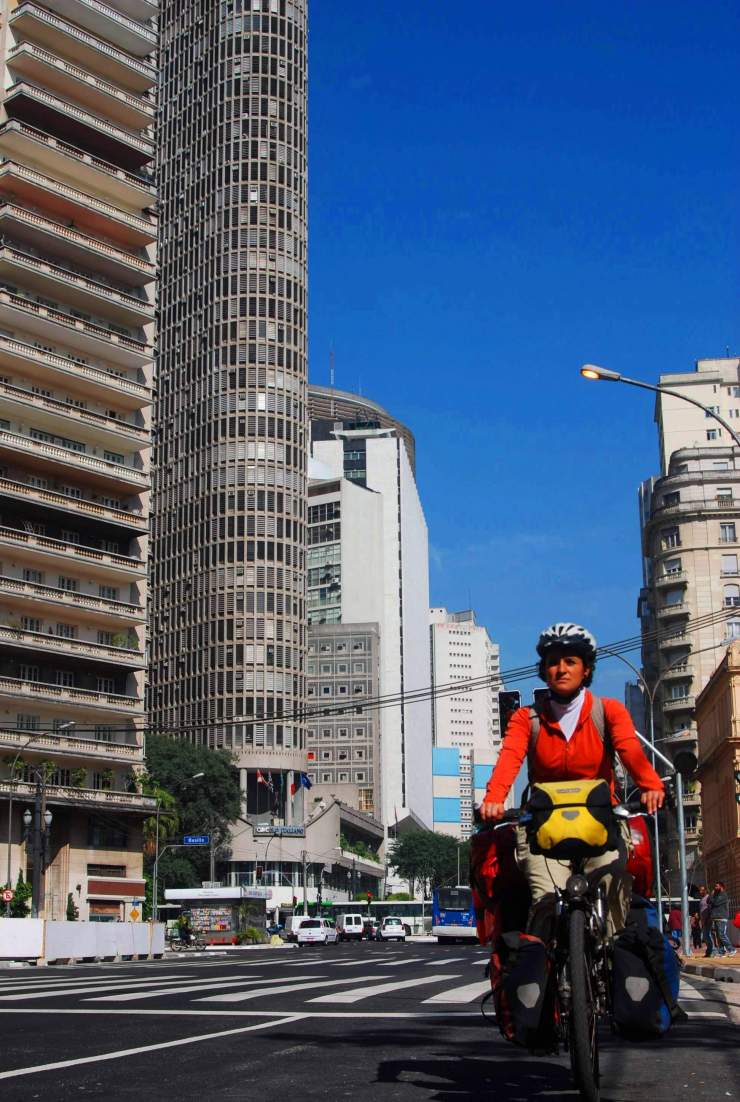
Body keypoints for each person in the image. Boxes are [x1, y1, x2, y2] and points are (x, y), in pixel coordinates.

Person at [480, 622, 665, 938]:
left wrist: (651, 787)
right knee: (545, 898)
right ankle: (547, 957)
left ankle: (611, 950)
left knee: (612, 881)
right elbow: (509, 759)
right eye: (553, 662)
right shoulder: (527, 719)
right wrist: (494, 799)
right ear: (544, 670)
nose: (561, 669)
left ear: (586, 669)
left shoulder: (608, 712)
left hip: (601, 824)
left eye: (570, 661)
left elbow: (630, 752)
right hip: (543, 828)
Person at [709, 881, 737, 957]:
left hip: (721, 918)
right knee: (718, 936)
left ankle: (731, 949)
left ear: (721, 887)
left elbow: (715, 903)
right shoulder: (716, 895)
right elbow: (709, 901)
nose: (715, 888)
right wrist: (712, 895)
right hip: (716, 918)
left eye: (717, 886)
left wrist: (712, 896)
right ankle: (721, 952)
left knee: (721, 934)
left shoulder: (723, 895)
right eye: (715, 886)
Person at [698, 885, 714, 957]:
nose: (700, 892)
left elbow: (710, 908)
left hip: (708, 920)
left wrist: (708, 918)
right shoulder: (701, 899)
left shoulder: (708, 898)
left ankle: (712, 951)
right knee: (705, 936)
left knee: (708, 935)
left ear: (705, 891)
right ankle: (709, 951)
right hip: (703, 920)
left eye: (702, 890)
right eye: (700, 890)